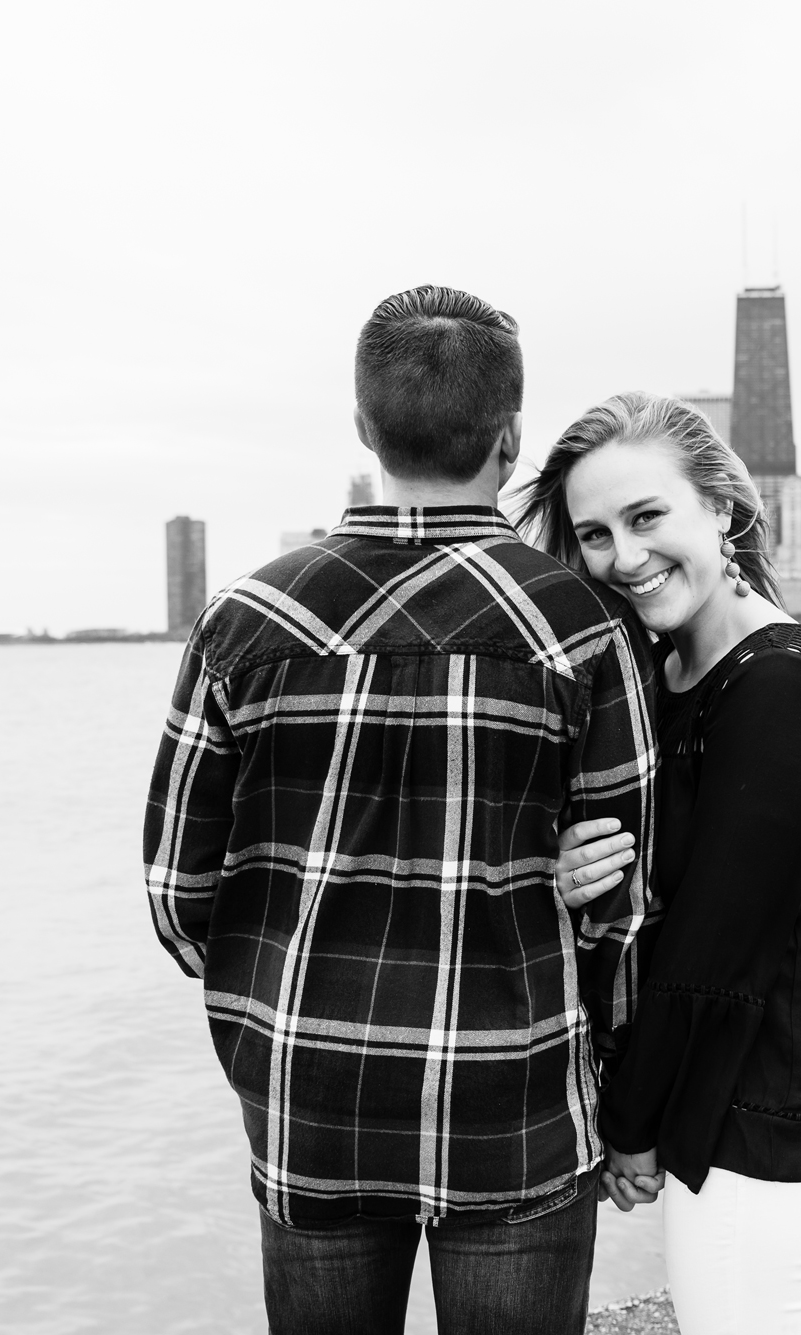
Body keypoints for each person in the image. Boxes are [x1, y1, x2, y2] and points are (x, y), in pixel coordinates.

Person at [143, 287, 660, 1335]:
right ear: (510, 439)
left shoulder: (244, 620)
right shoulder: (578, 624)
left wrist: (286, 981)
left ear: (363, 428)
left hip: (309, 1096)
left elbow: (176, 893)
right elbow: (626, 899)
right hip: (512, 1101)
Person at [523, 392, 801, 1334]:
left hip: (782, 1112)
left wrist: (630, 1122)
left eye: (647, 516)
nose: (625, 555)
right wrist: (569, 864)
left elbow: (715, 950)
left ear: (725, 511)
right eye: (597, 534)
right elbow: (668, 880)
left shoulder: (772, 679)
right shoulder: (667, 676)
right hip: (754, 1092)